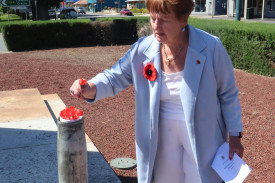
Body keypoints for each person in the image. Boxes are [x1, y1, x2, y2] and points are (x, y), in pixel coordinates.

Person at [70, 0, 244, 182]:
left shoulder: (210, 47)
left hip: (205, 139)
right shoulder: (142, 49)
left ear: (183, 19)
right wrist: (91, 87)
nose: (156, 26)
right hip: (161, 141)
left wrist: (235, 135)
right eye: (153, 18)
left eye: (164, 20)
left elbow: (228, 93)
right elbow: (115, 76)